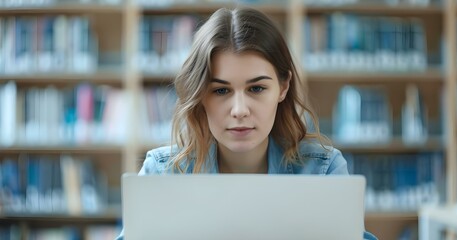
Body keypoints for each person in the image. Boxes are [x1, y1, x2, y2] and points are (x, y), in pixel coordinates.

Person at [116, 7, 377, 240]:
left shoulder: (324, 172)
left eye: (257, 88)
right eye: (220, 91)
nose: (239, 110)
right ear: (199, 95)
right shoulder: (161, 175)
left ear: (283, 87)